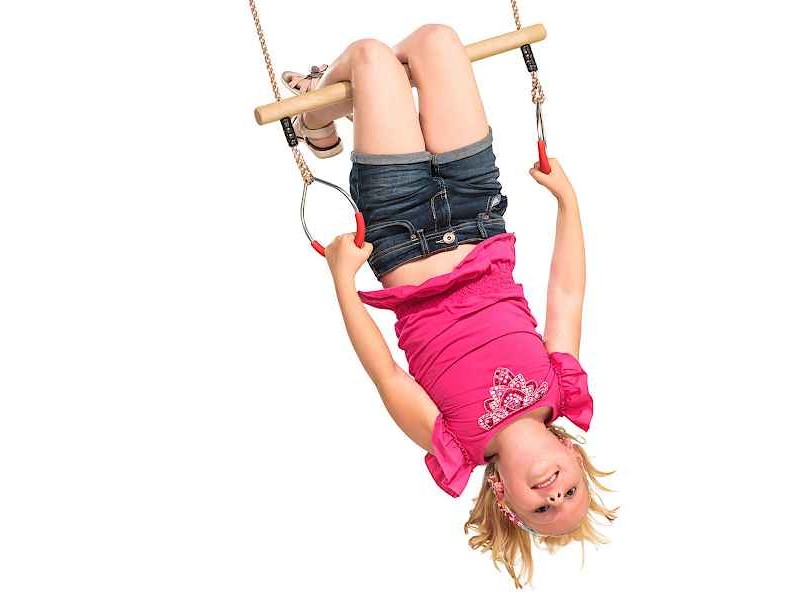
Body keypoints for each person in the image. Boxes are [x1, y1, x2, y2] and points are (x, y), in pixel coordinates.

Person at [283, 24, 618, 588]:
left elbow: (387, 374)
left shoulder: (454, 444)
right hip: (477, 211)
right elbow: (566, 294)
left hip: (401, 230)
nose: (554, 492)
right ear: (577, 461)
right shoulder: (561, 390)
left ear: (504, 497)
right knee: (436, 42)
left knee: (372, 59)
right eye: (571, 492)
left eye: (543, 508)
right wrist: (569, 202)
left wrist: (341, 279)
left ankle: (317, 113)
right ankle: (324, 113)